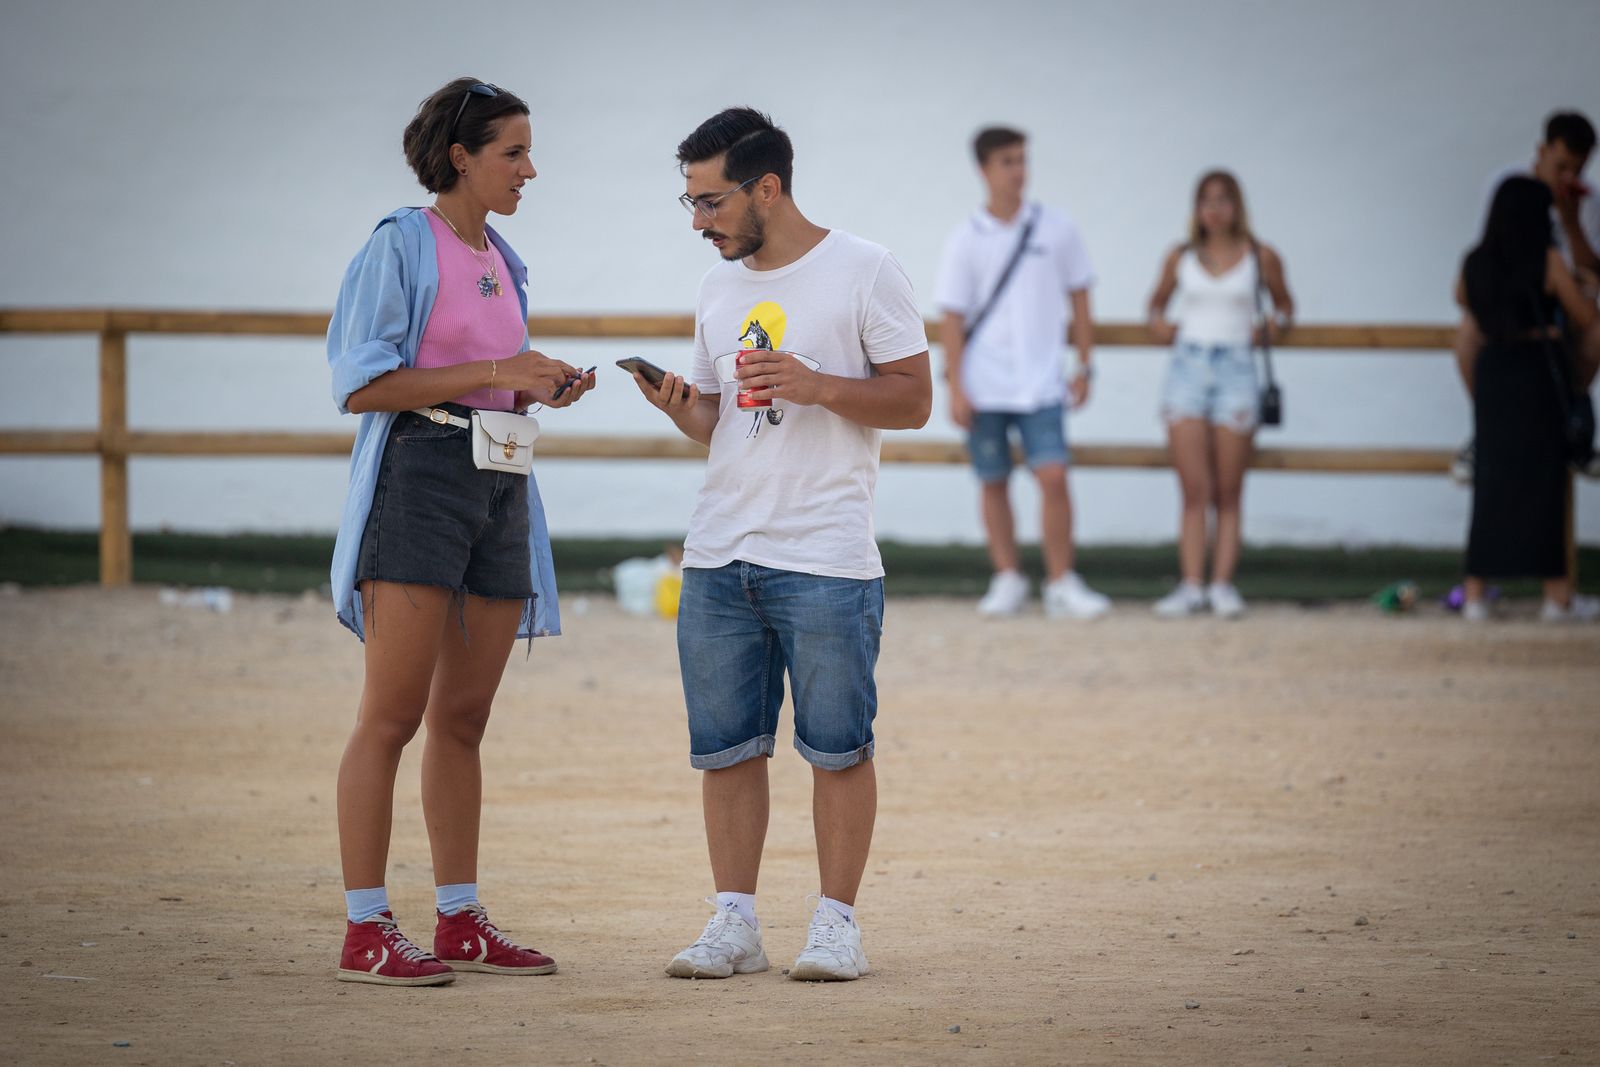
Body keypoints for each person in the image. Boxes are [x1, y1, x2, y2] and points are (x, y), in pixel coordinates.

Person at [629, 107, 930, 982]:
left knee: (839, 746)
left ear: (768, 185)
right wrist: (683, 405)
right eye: (687, 203)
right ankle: (735, 924)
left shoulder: (866, 270)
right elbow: (725, 421)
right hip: (719, 550)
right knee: (726, 748)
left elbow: (914, 400)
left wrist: (819, 383)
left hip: (828, 555)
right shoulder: (716, 289)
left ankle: (836, 926)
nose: (698, 221)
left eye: (710, 200)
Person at [325, 78, 594, 986]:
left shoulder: (502, 259)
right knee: (391, 716)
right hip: (422, 479)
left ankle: (459, 920)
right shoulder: (402, 245)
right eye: (514, 151)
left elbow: (487, 376)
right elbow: (362, 385)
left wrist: (534, 381)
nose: (530, 168)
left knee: (464, 719)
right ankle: (366, 928)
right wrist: (497, 367)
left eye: (528, 150)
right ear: (461, 157)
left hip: (502, 479)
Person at [934, 127, 1111, 620]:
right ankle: (1008, 577)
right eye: (1007, 161)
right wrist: (956, 386)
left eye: (1022, 160)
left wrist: (1086, 365)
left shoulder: (1057, 228)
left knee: (1053, 476)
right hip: (984, 382)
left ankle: (1061, 581)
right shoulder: (965, 238)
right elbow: (952, 315)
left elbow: (1080, 295)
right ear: (984, 170)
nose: (1018, 171)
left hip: (1042, 381)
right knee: (992, 480)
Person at [1144, 171, 1293, 618]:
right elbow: (1155, 305)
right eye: (1206, 200)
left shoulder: (1260, 256)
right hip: (1188, 366)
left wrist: (1271, 327)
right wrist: (1160, 327)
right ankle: (1191, 585)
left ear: (1237, 205)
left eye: (1223, 200)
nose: (1214, 209)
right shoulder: (1181, 257)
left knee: (1229, 489)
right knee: (1194, 488)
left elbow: (1285, 307)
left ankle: (1222, 584)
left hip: (1237, 368)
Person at [1456, 175, 1600, 623]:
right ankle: (1556, 597)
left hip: (1495, 371)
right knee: (1544, 485)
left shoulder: (1476, 262)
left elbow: (1462, 301)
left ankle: (1475, 594)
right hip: (1538, 368)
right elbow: (1586, 315)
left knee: (1490, 485)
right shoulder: (1547, 260)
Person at [1455, 111, 1600, 483]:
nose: (1569, 179)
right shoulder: (1507, 186)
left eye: (1577, 170)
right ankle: (1487, 427)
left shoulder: (1588, 201)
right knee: (1468, 331)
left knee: (1594, 329)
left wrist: (1571, 221)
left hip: (1559, 306)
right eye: (1561, 166)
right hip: (1514, 302)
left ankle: (1570, 418)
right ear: (1542, 152)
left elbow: (1592, 276)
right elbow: (1489, 254)